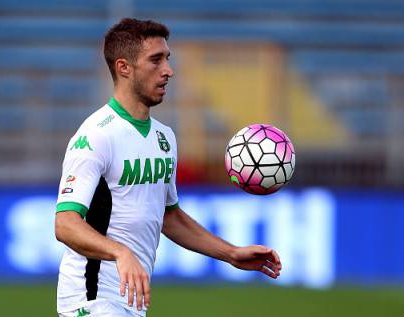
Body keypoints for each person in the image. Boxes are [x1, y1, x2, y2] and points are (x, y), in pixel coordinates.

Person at [55, 18, 281, 317]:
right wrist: (120, 252)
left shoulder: (164, 137)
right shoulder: (96, 135)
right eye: (155, 60)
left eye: (168, 59)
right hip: (92, 300)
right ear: (124, 67)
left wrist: (231, 253)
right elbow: (66, 223)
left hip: (130, 302)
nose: (168, 71)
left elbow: (168, 216)